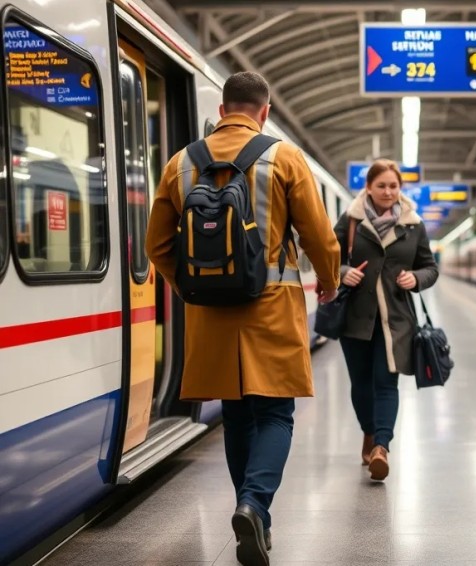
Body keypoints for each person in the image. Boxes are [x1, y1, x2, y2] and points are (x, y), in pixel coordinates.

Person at [145, 71, 340, 566]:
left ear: (222, 108)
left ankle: (255, 516)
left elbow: (156, 246)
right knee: (275, 413)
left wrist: (190, 286)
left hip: (210, 314)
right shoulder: (284, 157)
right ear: (264, 111)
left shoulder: (180, 163)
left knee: (235, 414)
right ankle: (254, 504)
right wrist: (331, 281)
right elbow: (319, 237)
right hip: (271, 307)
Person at [334, 159, 439, 481]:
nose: (388, 191)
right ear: (368, 187)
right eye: (381, 185)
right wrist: (342, 272)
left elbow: (430, 267)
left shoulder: (413, 225)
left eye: (394, 186)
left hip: (396, 319)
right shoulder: (350, 221)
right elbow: (326, 257)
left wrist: (417, 279)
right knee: (360, 384)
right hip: (356, 317)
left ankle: (381, 446)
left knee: (385, 382)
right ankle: (369, 431)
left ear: (400, 188)